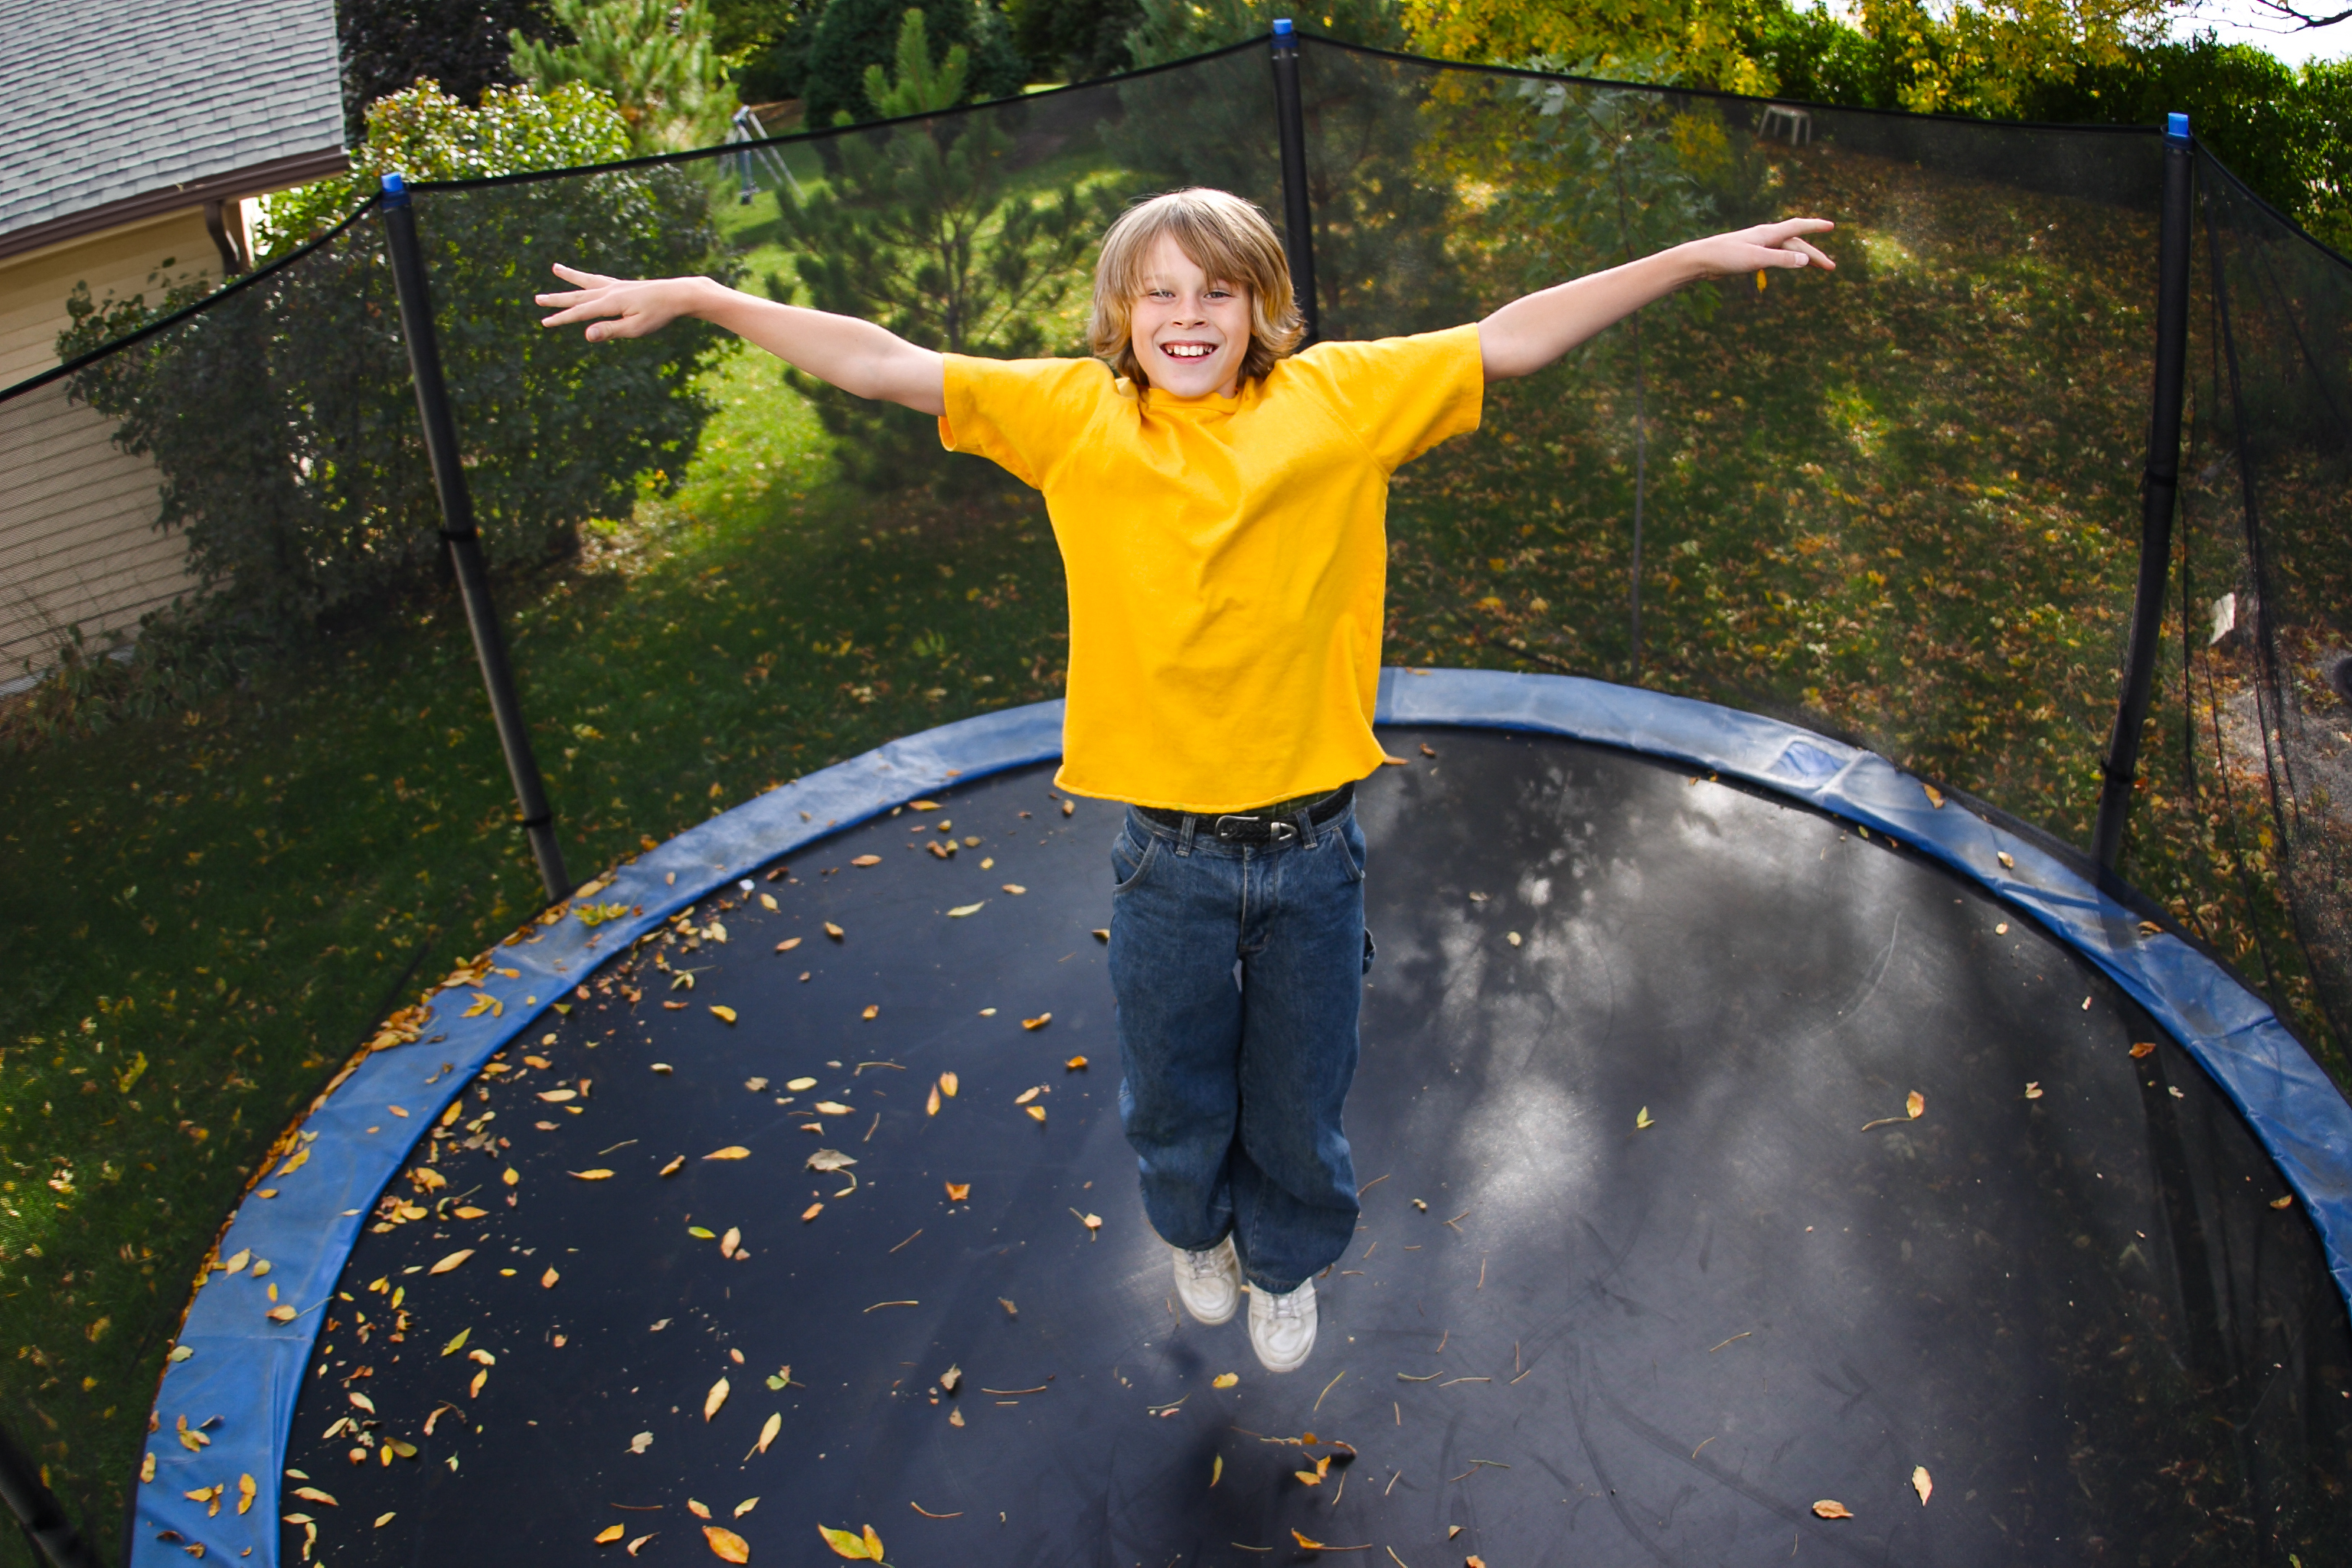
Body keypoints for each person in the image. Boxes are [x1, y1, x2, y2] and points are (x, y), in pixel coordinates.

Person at [537, 187, 1833, 1373]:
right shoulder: (1073, 416)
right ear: (1118, 314)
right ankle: (1194, 1235)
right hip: (1166, 857)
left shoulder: (1341, 398)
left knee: (1299, 1097)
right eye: (1158, 292)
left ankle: (1284, 1262)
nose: (1187, 315)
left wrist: (1686, 255)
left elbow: (1515, 335)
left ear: (1267, 308)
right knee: (1173, 1091)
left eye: (1217, 291)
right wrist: (708, 298)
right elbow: (881, 362)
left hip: (1316, 849)